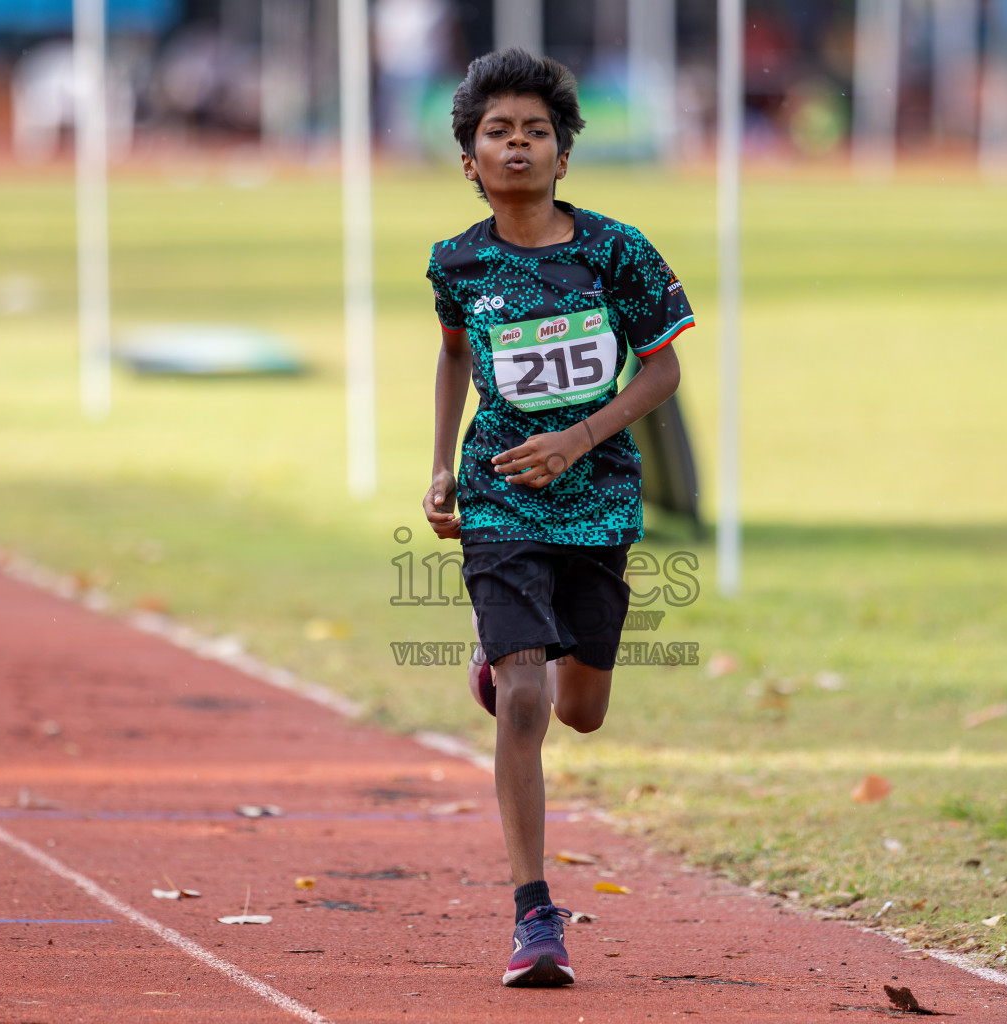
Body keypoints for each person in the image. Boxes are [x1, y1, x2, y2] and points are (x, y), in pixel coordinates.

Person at [421, 49, 693, 988]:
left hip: (599, 488)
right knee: (528, 697)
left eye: (537, 130)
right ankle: (535, 916)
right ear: (471, 160)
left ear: (563, 154)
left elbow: (662, 370)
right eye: (499, 131)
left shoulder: (616, 251)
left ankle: (508, 661)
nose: (519, 143)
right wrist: (440, 471)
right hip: (498, 486)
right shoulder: (456, 261)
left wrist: (579, 441)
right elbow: (457, 355)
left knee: (581, 711)